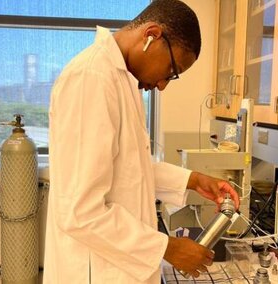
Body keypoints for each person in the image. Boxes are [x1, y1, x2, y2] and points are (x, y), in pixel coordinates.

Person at [43, 0, 240, 283]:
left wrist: (194, 180)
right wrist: (168, 247)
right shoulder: (92, 78)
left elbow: (128, 168)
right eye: (171, 70)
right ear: (152, 35)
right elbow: (79, 211)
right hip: (94, 271)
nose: (162, 85)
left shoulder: (122, 80)